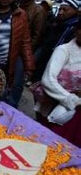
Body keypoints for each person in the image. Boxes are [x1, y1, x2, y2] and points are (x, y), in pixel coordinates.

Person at [33, 18, 81, 147]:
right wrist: (72, 100)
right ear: (77, 31)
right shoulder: (64, 50)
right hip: (56, 104)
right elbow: (48, 80)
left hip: (77, 112)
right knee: (49, 143)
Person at [33, 0, 81, 82]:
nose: (60, 12)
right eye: (60, 9)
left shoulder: (75, 30)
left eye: (65, 10)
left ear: (76, 11)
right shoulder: (55, 24)